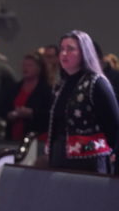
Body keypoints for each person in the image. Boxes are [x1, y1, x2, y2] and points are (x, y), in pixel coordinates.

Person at [47, 30, 119, 174]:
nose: (64, 54)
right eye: (62, 49)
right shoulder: (61, 84)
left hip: (89, 160)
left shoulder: (96, 82)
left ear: (84, 53)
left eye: (71, 49)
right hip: (59, 157)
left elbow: (114, 125)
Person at [0, 52, 52, 141]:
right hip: (12, 135)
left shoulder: (46, 90)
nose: (25, 68)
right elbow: (2, 108)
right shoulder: (13, 88)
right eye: (24, 65)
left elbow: (49, 114)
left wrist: (31, 113)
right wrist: (9, 114)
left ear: (39, 69)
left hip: (36, 136)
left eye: (30, 65)